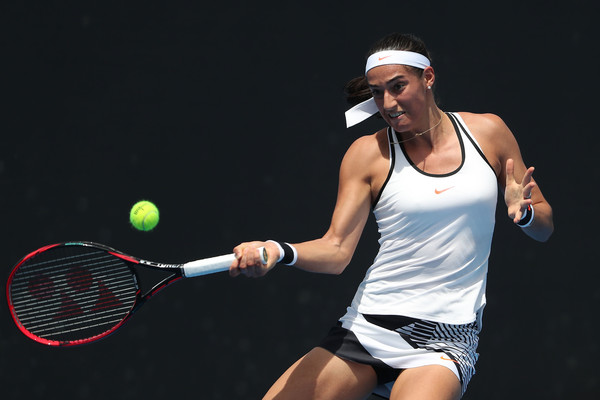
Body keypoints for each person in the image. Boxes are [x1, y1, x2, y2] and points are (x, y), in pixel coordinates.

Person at [230, 33, 554, 400]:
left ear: (428, 77)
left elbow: (545, 226)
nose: (388, 102)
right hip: (367, 328)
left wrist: (525, 214)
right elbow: (335, 250)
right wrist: (278, 250)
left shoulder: (489, 133)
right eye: (377, 91)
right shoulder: (367, 154)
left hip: (445, 339)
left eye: (398, 87)